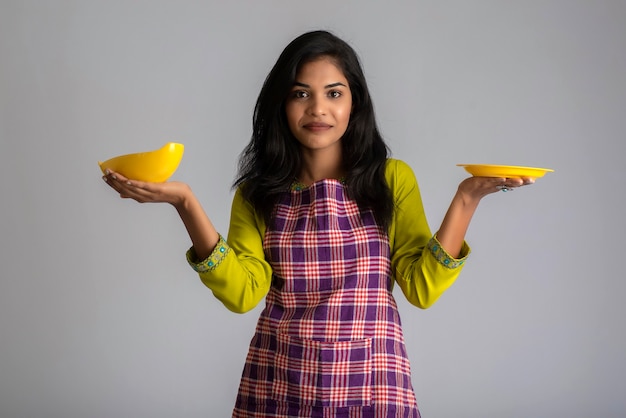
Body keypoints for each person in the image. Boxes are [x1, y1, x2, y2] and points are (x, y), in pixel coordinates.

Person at [103, 30, 533, 418]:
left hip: (373, 384)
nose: (319, 109)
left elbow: (421, 288)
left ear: (354, 103)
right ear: (282, 104)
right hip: (279, 384)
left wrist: (467, 198)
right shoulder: (258, 193)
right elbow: (242, 293)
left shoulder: (391, 179)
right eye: (301, 94)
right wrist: (185, 203)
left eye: (333, 93)